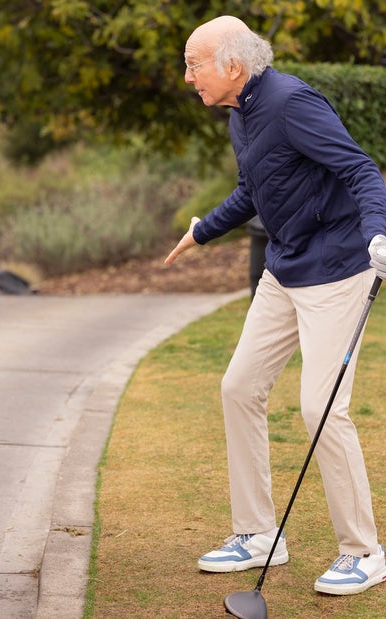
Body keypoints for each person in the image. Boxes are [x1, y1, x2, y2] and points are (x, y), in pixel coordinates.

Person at [165, 15, 386, 596]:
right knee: (239, 388)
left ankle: (363, 551)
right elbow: (254, 189)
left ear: (233, 66)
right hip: (283, 269)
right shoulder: (240, 113)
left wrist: (379, 233)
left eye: (194, 64)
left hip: (336, 272)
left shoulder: (291, 103)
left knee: (321, 408)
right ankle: (260, 533)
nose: (188, 77)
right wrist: (203, 231)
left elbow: (360, 168)